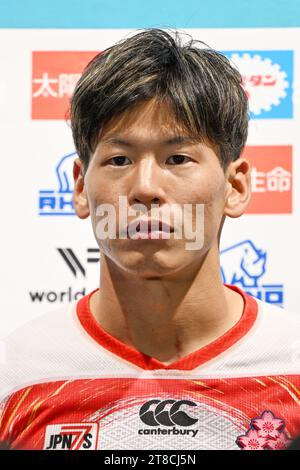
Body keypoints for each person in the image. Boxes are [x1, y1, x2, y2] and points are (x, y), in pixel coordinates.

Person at [0, 28, 299, 451]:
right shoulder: (15, 376)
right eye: (119, 159)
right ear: (81, 188)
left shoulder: (292, 368)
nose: (145, 187)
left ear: (235, 187)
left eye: (177, 158)